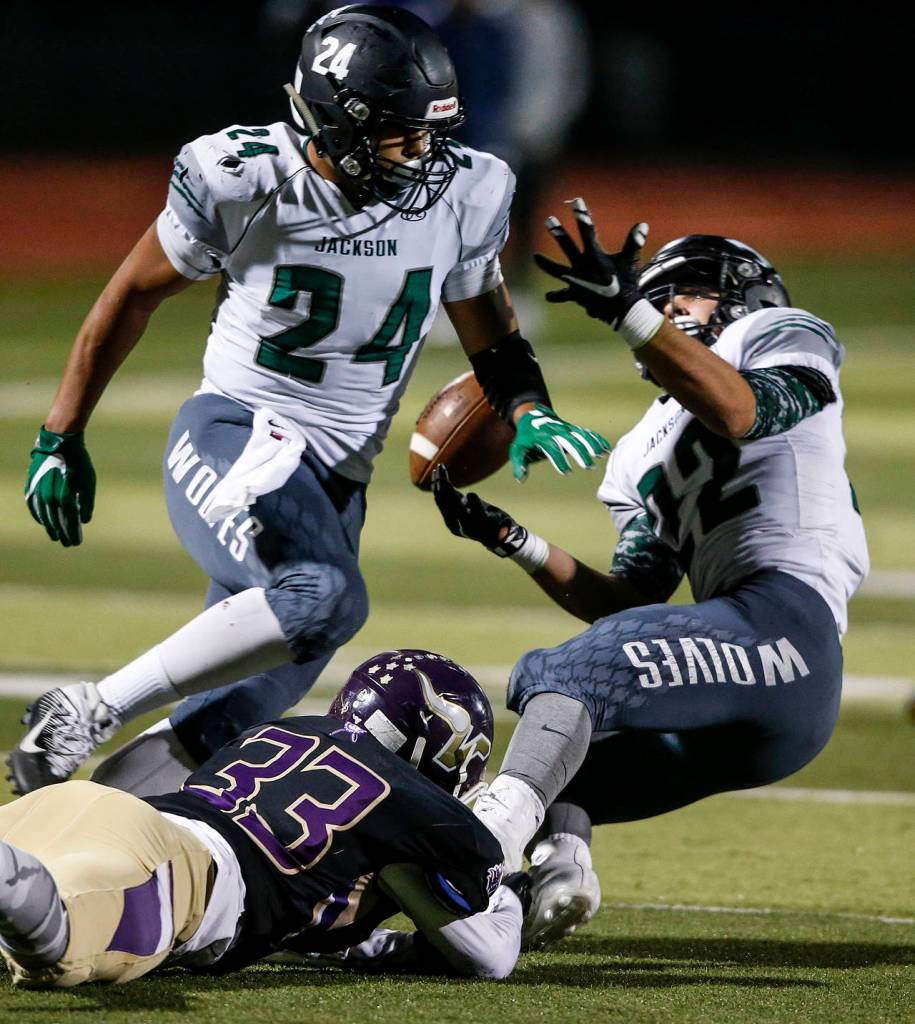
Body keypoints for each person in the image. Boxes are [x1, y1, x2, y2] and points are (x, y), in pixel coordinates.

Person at [9, 5, 608, 798]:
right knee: (324, 599)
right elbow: (131, 294)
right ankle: (87, 708)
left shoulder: (467, 189)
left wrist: (529, 411)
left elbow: (491, 335)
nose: (423, 153)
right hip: (238, 434)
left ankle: (71, 832)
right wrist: (60, 435)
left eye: (430, 133)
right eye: (399, 134)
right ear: (335, 120)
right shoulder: (245, 175)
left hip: (336, 480)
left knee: (237, 710)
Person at [432, 199, 869, 948]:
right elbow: (633, 600)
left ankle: (488, 839)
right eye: (658, 297)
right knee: (566, 762)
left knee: (565, 673)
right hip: (748, 668)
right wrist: (516, 541)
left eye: (687, 292)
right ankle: (556, 876)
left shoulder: (775, 332)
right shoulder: (636, 452)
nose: (669, 308)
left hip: (788, 627)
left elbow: (743, 412)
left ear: (743, 295)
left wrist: (630, 311)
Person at [0, 649, 531, 987]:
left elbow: (297, 929)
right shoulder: (401, 805)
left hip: (91, 811)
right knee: (54, 948)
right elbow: (488, 956)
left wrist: (396, 948)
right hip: (175, 871)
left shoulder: (282, 731)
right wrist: (509, 893)